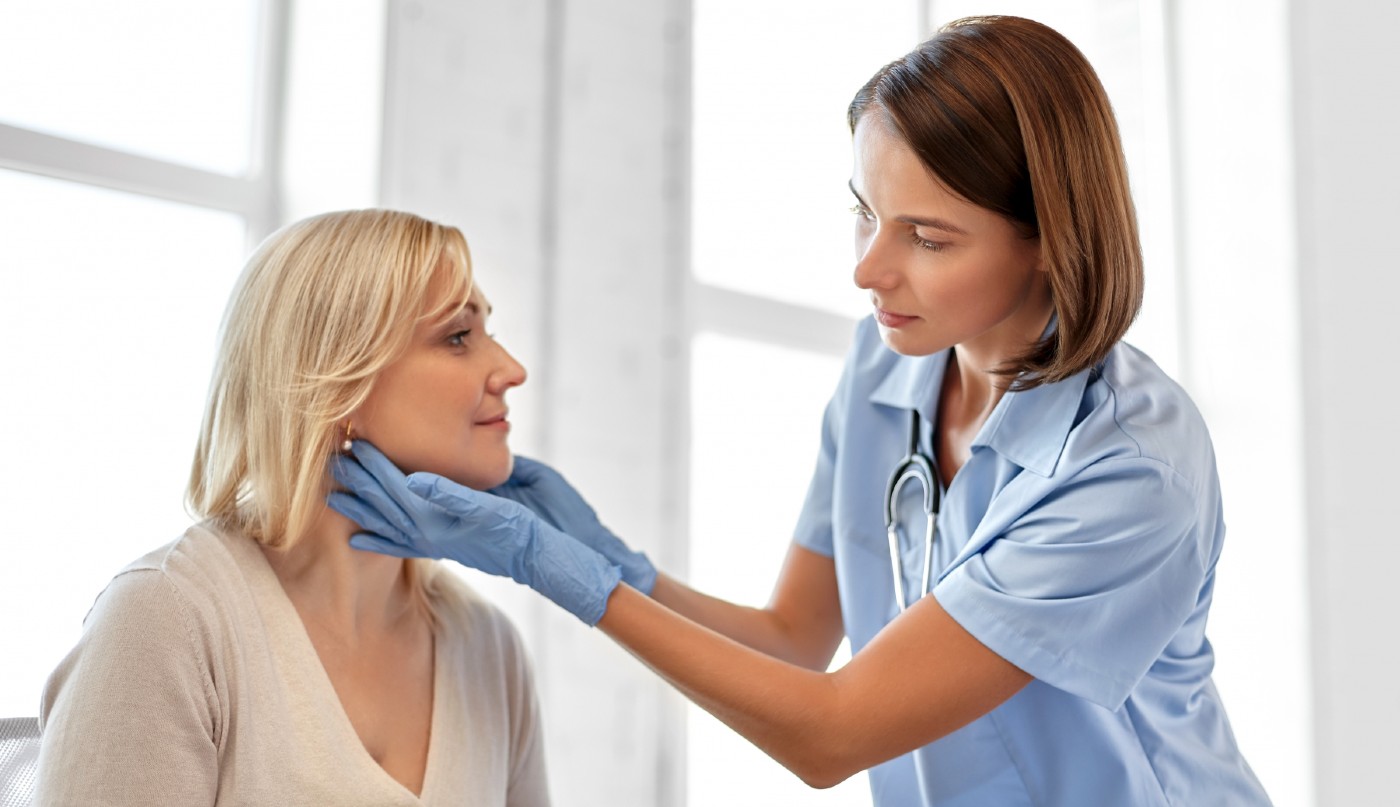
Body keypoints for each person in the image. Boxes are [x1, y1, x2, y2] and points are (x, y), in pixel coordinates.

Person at [330, 16, 1272, 806]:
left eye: (927, 238)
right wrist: (625, 567)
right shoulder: (886, 365)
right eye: (864, 211)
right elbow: (794, 639)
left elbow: (834, 731)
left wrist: (562, 574)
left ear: (1046, 241)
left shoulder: (1131, 466)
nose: (868, 269)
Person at [37, 209, 549, 806]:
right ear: (338, 391)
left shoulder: (489, 648)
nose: (512, 370)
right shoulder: (167, 621)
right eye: (458, 337)